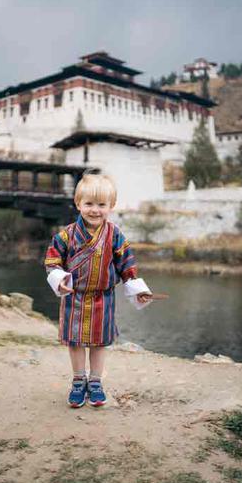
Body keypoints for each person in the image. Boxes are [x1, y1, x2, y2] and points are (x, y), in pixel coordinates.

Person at [44, 173, 153, 409]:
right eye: (89, 204)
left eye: (102, 205)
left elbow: (127, 265)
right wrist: (58, 278)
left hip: (104, 298)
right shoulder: (65, 235)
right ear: (78, 204)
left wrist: (137, 289)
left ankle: (95, 381)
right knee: (75, 341)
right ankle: (77, 380)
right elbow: (52, 262)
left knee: (99, 342)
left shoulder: (115, 235)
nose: (95, 210)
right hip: (74, 296)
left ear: (111, 206)